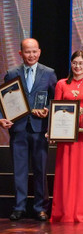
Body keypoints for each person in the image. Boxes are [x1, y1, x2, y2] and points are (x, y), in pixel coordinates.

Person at [1, 38, 57, 221]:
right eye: (27, 52)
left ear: (39, 52)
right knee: (19, 169)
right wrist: (1, 118)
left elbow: (55, 100)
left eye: (34, 51)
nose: (31, 55)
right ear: (20, 53)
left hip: (39, 128)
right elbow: (4, 99)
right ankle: (19, 207)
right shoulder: (11, 73)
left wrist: (49, 111)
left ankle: (40, 208)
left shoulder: (49, 73)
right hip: (18, 128)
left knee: (40, 169)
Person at [51, 50, 83, 222]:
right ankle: (65, 212)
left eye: (81, 63)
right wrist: (52, 130)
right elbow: (56, 109)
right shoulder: (61, 84)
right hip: (66, 138)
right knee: (66, 174)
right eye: (75, 63)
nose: (78, 66)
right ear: (71, 65)